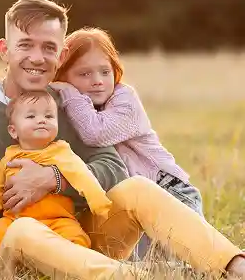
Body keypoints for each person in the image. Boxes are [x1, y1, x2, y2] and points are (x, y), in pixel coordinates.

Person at [0, 0, 245, 279]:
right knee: (24, 230)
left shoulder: (65, 103)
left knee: (137, 188)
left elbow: (113, 167)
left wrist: (54, 178)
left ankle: (232, 265)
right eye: (26, 45)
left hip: (73, 234)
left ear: (61, 56)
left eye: (48, 48)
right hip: (6, 244)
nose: (37, 57)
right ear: (5, 50)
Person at [51, 27, 204, 258]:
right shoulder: (71, 110)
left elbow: (95, 132)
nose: (98, 82)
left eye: (105, 71)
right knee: (132, 264)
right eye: (84, 74)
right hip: (129, 206)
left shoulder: (125, 100)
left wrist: (69, 92)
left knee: (191, 263)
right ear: (63, 75)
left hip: (169, 193)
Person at [0, 90, 112, 272]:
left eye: (49, 116)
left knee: (76, 239)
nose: (41, 120)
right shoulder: (9, 157)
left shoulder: (61, 151)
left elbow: (82, 176)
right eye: (31, 116)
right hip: (14, 221)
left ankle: (74, 271)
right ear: (13, 130)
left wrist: (99, 203)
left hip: (58, 220)